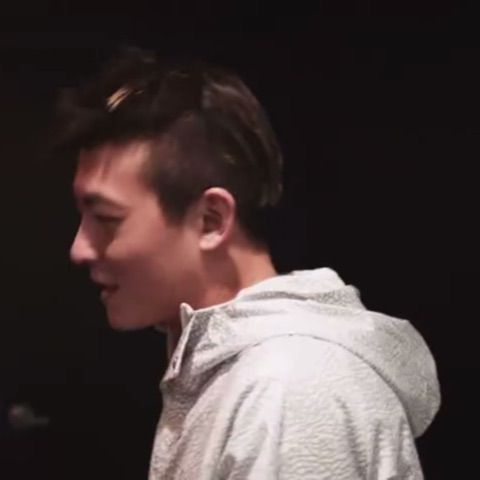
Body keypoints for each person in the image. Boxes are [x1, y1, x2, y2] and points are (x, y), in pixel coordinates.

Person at [56, 47, 440, 479]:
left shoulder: (289, 388)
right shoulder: (245, 374)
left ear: (211, 220)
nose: (79, 249)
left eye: (106, 219)